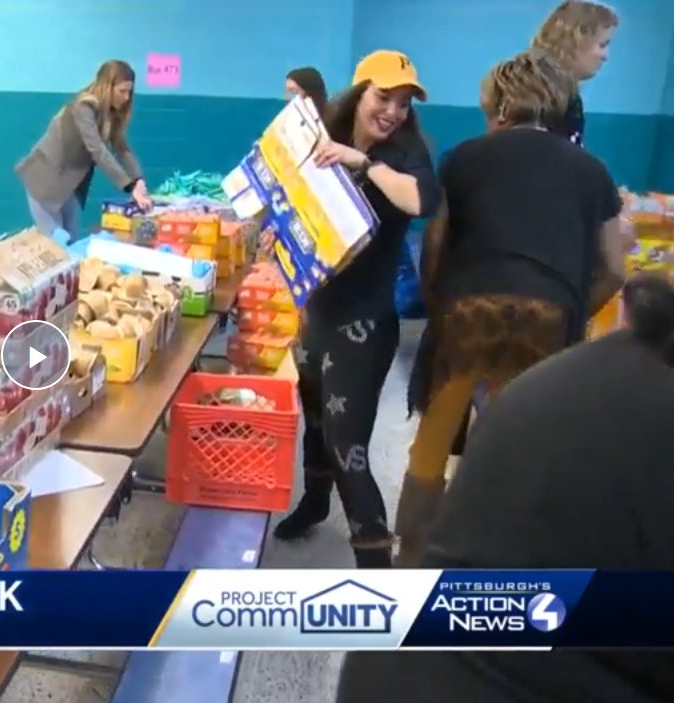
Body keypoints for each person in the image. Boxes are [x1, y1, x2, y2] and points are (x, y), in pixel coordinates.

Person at [336, 273, 674, 703]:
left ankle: (410, 537)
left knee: (437, 426)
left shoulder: (565, 378)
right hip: (531, 673)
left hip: (397, 663)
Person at [395, 53, 627, 567]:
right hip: (547, 319)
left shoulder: (464, 158)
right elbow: (615, 266)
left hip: (469, 310)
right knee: (513, 435)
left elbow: (434, 245)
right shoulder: (593, 172)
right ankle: (489, 555)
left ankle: (412, 553)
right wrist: (571, 313)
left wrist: (440, 306)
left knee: (435, 435)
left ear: (498, 105)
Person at [270, 50, 440, 569]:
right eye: (383, 97)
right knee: (317, 424)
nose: (392, 111)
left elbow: (421, 202)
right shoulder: (320, 133)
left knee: (349, 448)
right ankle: (314, 503)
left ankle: (376, 569)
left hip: (364, 325)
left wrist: (361, 161)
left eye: (403, 103)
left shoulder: (406, 154)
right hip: (315, 312)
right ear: (360, 91)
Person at [18, 60, 151, 239]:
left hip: (70, 183)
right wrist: (128, 187)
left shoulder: (112, 112)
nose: (126, 97)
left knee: (71, 238)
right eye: (122, 91)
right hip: (45, 177)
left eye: (129, 91)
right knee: (56, 242)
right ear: (106, 87)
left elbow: (121, 148)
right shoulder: (84, 106)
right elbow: (97, 149)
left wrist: (138, 180)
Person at [531, 1, 618, 145]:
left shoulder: (568, 96)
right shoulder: (538, 95)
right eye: (602, 45)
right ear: (574, 41)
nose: (605, 56)